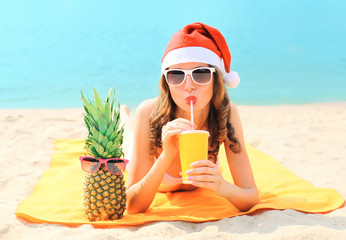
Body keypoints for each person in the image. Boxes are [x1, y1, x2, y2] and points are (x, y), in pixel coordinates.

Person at [126, 22, 260, 214]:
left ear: (216, 79)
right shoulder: (148, 113)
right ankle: (125, 115)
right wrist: (166, 156)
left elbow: (252, 197)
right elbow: (132, 206)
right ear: (166, 83)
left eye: (201, 73)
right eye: (176, 75)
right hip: (138, 143)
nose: (189, 85)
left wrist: (223, 186)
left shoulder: (226, 114)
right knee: (127, 138)